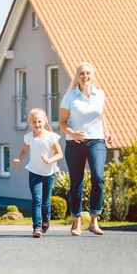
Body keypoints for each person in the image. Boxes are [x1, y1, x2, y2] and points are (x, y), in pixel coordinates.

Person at [59, 62, 113, 236]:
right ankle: (76, 221)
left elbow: (101, 115)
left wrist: (107, 132)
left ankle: (94, 220)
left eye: (88, 73)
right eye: (82, 73)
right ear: (77, 76)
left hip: (96, 141)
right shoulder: (70, 96)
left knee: (98, 177)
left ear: (93, 75)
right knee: (77, 181)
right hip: (74, 144)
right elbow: (61, 123)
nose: (85, 76)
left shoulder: (100, 94)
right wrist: (73, 133)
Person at [12, 108, 63, 238]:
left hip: (49, 173)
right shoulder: (28, 137)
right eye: (34, 122)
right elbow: (23, 151)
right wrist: (19, 159)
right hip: (34, 172)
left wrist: (49, 160)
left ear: (44, 121)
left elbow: (59, 154)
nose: (37, 124)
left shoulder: (51, 137)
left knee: (45, 202)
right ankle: (37, 227)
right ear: (30, 122)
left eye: (39, 121)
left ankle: (46, 219)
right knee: (37, 200)